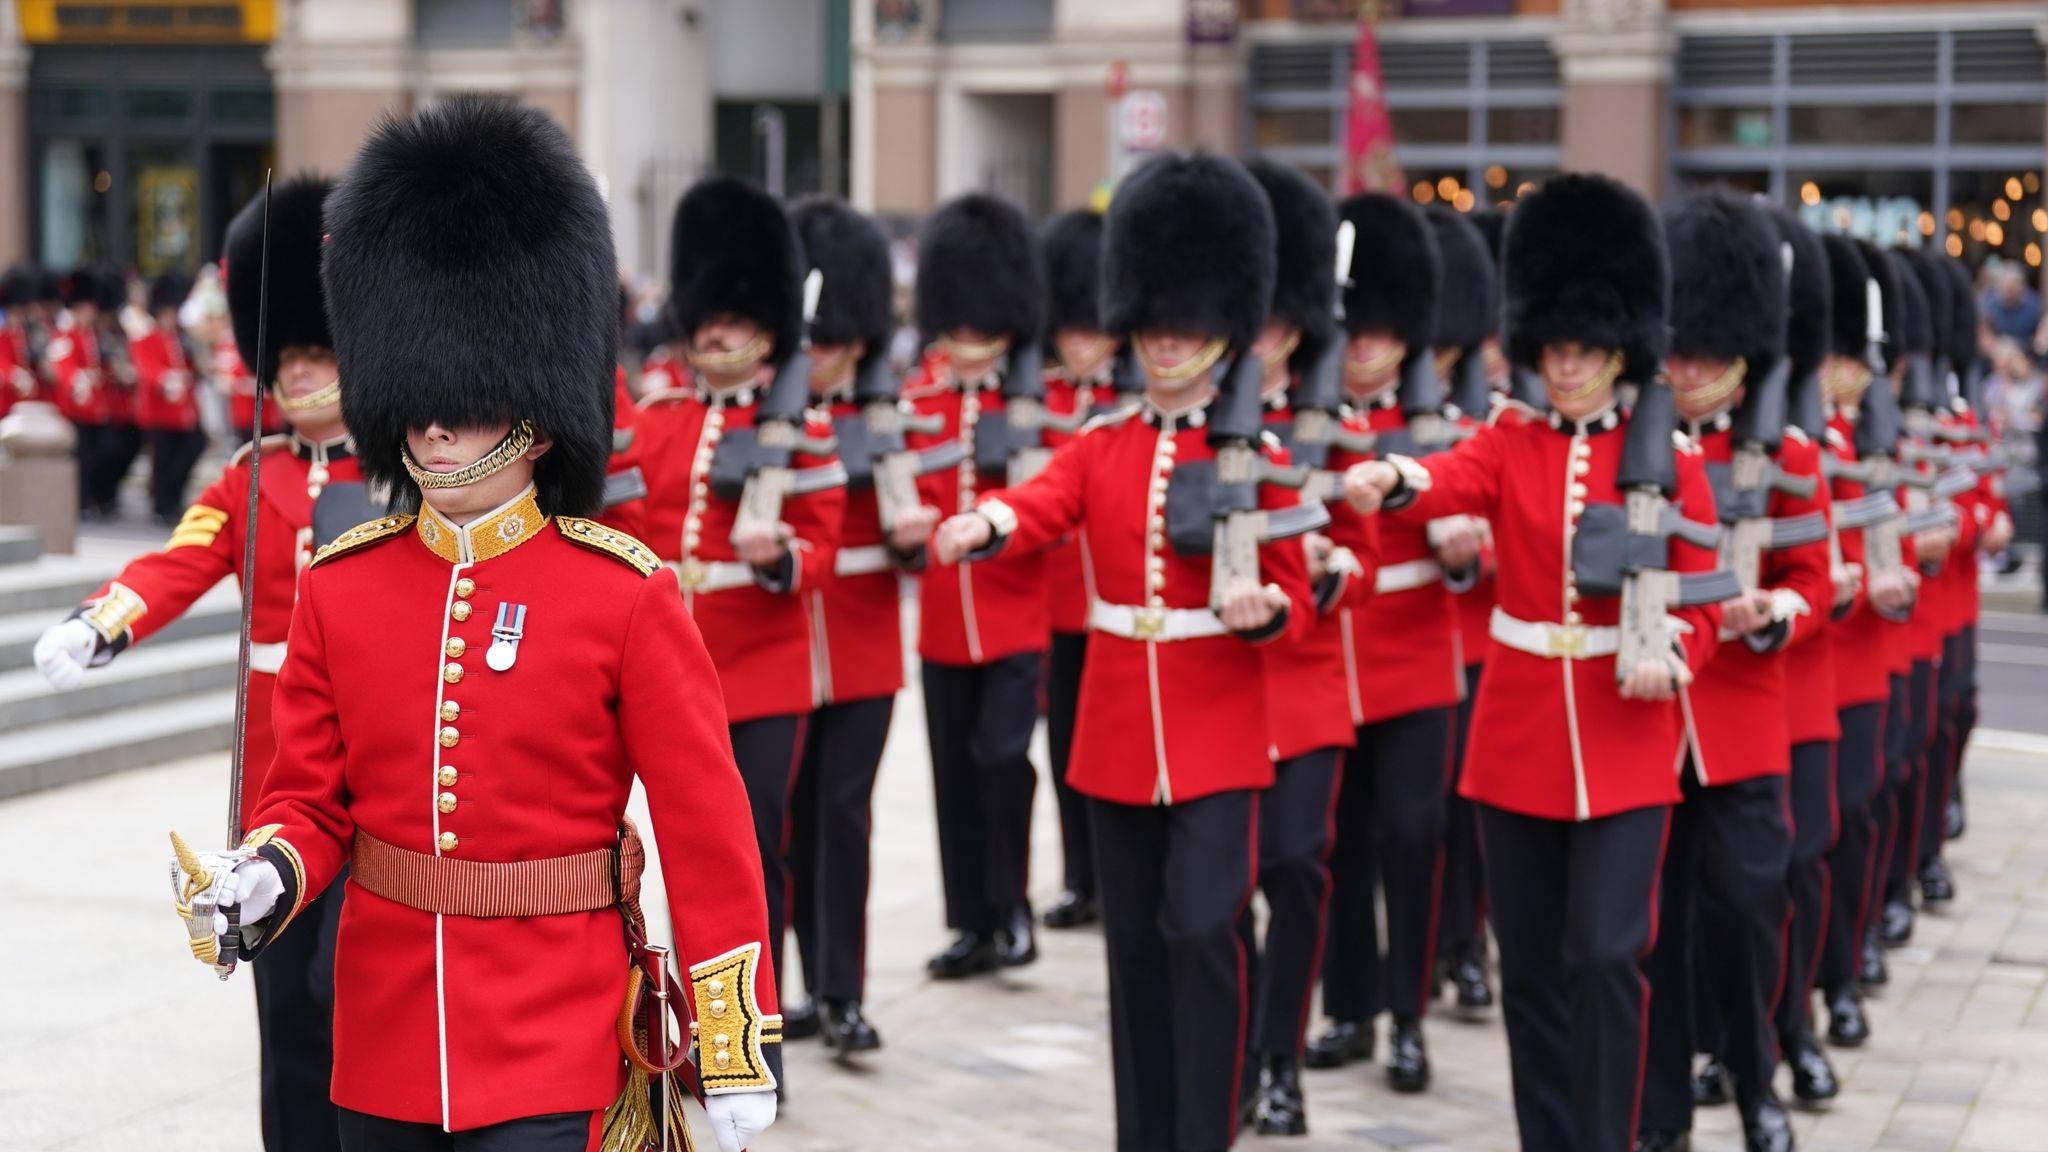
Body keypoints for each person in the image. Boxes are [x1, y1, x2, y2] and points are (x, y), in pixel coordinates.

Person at [164, 98, 781, 1152]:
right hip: (383, 1038)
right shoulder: (342, 585)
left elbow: (706, 828)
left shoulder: (623, 594)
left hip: (559, 1037)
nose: (438, 423)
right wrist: (265, 870)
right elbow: (309, 798)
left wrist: (729, 1041)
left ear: (536, 414)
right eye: (420, 399)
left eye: (472, 402)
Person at [931, 150, 1315, 1152]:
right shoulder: (1104, 440)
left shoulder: (1259, 453)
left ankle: (1206, 1128)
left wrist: (1268, 606)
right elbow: (1044, 499)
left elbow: (1308, 576)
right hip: (1114, 731)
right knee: (1136, 956)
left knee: (1201, 929)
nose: (1161, 342)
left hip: (1218, 727)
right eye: (1150, 324)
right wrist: (989, 524)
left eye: (1180, 326)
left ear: (1220, 330)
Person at [1342, 173, 1724, 1152]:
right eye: (1552, 346)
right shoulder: (1510, 440)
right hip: (1516, 741)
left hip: (1624, 736)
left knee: (1604, 954)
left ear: (1619, 345)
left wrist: (1673, 652)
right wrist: (1392, 477)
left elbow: (1704, 596)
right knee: (1535, 978)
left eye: (1585, 349)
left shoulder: (1668, 458)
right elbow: (1446, 477)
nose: (1564, 366)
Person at [37, 175, 355, 1152]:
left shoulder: (397, 476)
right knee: (286, 1002)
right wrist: (103, 622)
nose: (299, 378)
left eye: (317, 358)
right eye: (288, 361)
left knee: (349, 991)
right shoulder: (248, 475)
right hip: (274, 780)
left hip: (378, 770)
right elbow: (183, 557)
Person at [1634, 194, 1828, 1152]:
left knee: (1753, 904)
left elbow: (1814, 578)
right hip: (1655, 719)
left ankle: (1756, 1077)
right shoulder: (1641, 457)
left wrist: (1774, 613)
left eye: (1709, 352)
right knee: (1656, 925)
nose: (1692, 368)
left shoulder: (1785, 453)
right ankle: (1662, 1104)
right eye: (1680, 348)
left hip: (1746, 716)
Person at [634, 176, 846, 1054]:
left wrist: (782, 558)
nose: (715, 330)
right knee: (680, 859)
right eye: (707, 313)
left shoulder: (804, 427)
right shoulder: (658, 419)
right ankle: (693, 1039)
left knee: (752, 857)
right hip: (671, 671)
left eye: (733, 315)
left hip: (762, 669)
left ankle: (745, 1046)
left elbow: (823, 542)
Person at [1306, 191, 1460, 1094]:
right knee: (1339, 843)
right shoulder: (1306, 421)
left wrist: (1459, 547)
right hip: (1331, 660)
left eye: (1382, 333)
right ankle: (1351, 1007)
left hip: (1415, 662)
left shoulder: (1437, 427)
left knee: (1411, 838)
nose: (1365, 347)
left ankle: (1409, 1015)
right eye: (1354, 331)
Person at [1240, 155, 1381, 1136]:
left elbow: (1363, 552)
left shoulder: (1337, 430)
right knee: (1219, 891)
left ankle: (1278, 1051)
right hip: (1216, 687)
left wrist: (1328, 565)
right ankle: (1237, 1038)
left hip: (1305, 680)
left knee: (1295, 868)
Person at [784, 194, 937, 1053]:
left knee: (843, 816)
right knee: (785, 823)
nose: (825, 356)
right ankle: (797, 987)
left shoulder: (888, 418)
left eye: (838, 340)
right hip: (777, 653)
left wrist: (914, 541)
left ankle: (842, 990)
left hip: (862, 649)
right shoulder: (766, 419)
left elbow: (921, 534)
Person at [900, 192, 1051, 979]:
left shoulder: (1038, 401)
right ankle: (971, 923)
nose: (965, 341)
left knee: (1001, 759)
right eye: (955, 324)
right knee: (954, 775)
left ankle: (1014, 903)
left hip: (1017, 616)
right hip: (941, 625)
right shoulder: (918, 399)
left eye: (979, 326)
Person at [1038, 205, 1116, 932]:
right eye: (1074, 327)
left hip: (1118, 608)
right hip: (1060, 606)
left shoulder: (1129, 406)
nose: (1084, 343)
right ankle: (1078, 874)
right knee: (1065, 749)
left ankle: (1109, 870)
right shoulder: (1047, 396)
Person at [130, 272, 209, 524]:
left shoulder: (181, 338)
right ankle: (162, 504)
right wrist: (166, 379)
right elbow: (146, 369)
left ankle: (172, 497)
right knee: (162, 460)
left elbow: (194, 368)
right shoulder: (147, 338)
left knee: (193, 447)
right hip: (159, 411)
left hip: (183, 411)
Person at [1979, 262, 2041, 364]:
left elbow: (2039, 339)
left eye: (2010, 290)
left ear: (2020, 288)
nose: (2006, 294)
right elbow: (1984, 335)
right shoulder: (1989, 304)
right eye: (2003, 288)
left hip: (2026, 357)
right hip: (1995, 357)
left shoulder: (2033, 306)